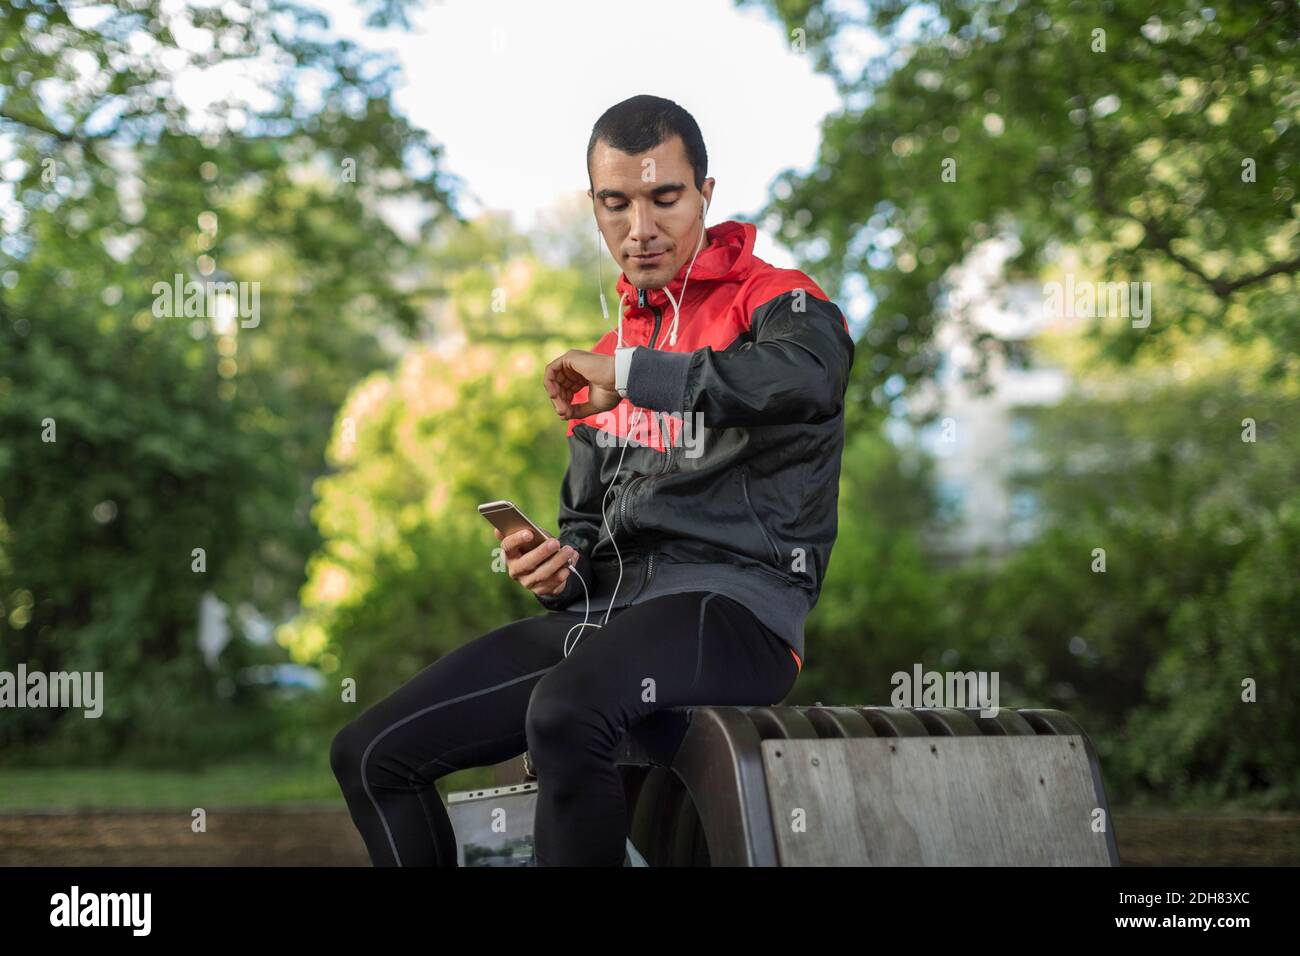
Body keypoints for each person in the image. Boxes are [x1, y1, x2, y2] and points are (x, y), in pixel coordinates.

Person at [331, 94, 855, 867]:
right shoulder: (607, 357)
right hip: (608, 616)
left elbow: (809, 381)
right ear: (595, 207)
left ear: (706, 194)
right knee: (370, 755)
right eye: (616, 204)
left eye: (664, 198)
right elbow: (585, 530)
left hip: (738, 609)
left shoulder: (776, 301)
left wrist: (634, 373)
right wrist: (555, 567)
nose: (639, 229)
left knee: (567, 711)